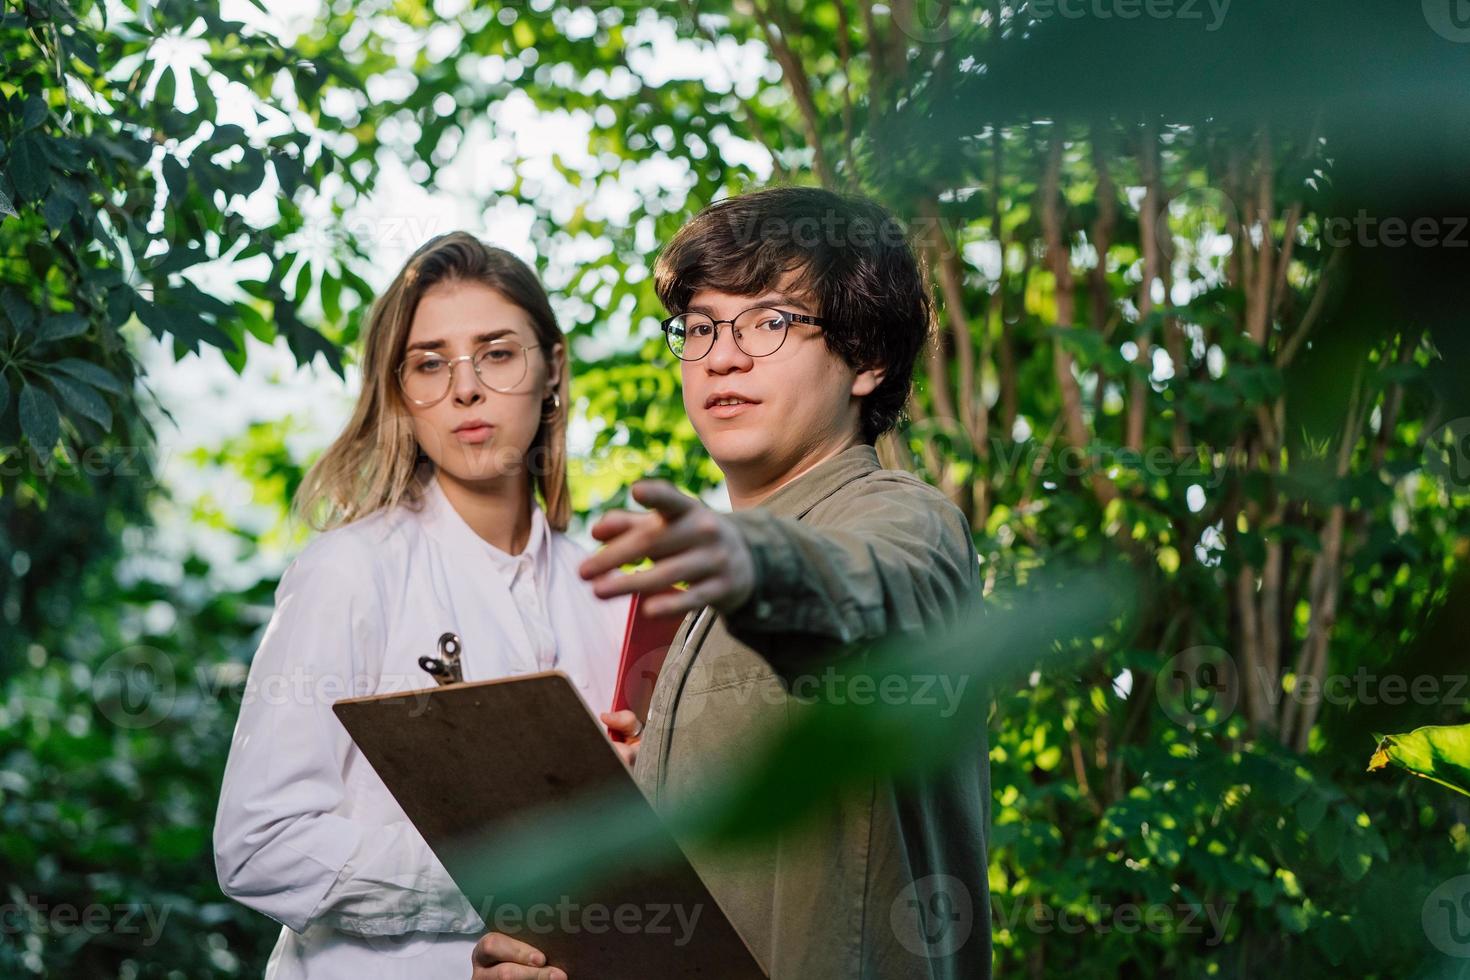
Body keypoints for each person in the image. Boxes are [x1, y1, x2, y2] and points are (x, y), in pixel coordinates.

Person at [471, 187, 988, 980]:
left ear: (867, 359)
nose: (722, 355)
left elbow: (872, 590)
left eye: (770, 322)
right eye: (703, 327)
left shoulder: (905, 521)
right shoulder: (695, 588)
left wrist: (752, 565)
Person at [213, 232, 631, 980]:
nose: (465, 389)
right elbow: (259, 844)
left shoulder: (607, 593)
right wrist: (498, 877)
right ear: (402, 393)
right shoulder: (349, 572)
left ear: (553, 370)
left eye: (497, 353)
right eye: (430, 364)